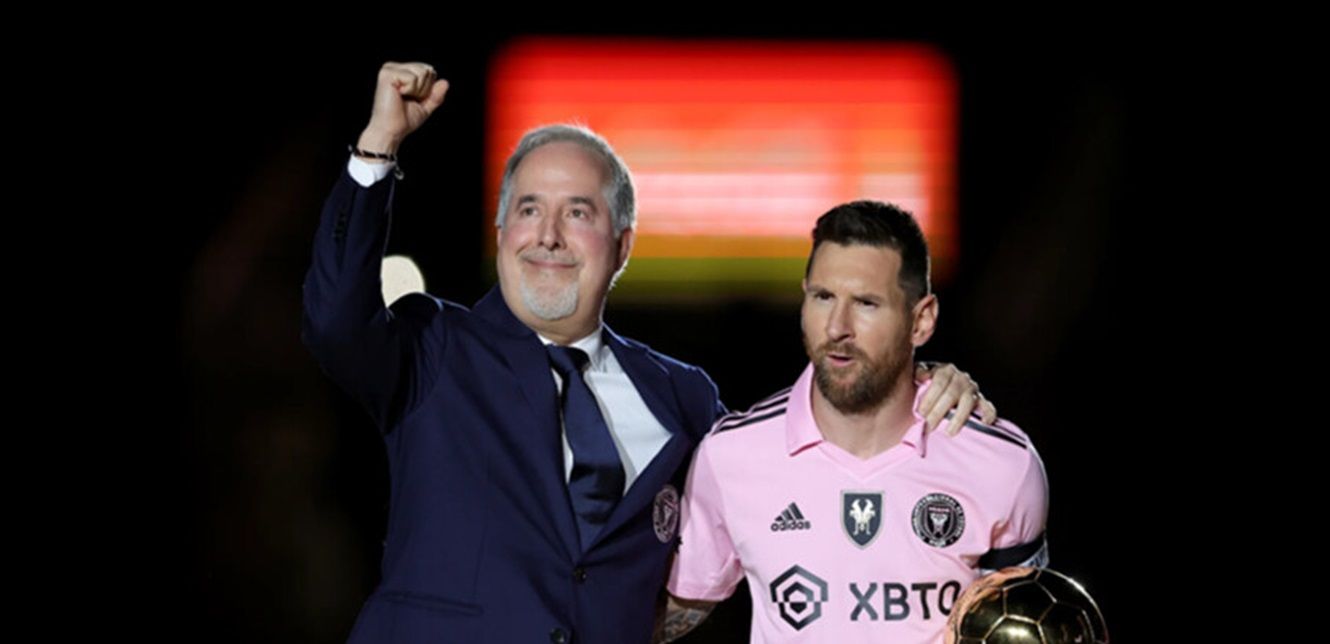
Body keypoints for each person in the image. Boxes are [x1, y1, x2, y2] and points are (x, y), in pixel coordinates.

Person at [303, 62, 993, 643]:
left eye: (578, 212)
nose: (548, 235)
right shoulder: (432, 348)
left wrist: (918, 382)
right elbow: (334, 320)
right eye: (529, 209)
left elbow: (802, 456)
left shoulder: (682, 397)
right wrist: (377, 149)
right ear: (501, 229)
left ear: (623, 246)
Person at [659, 201, 1048, 643]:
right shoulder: (730, 456)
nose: (837, 327)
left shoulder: (1001, 464)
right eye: (823, 297)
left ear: (921, 321)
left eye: (866, 303)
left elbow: (1020, 624)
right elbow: (678, 605)